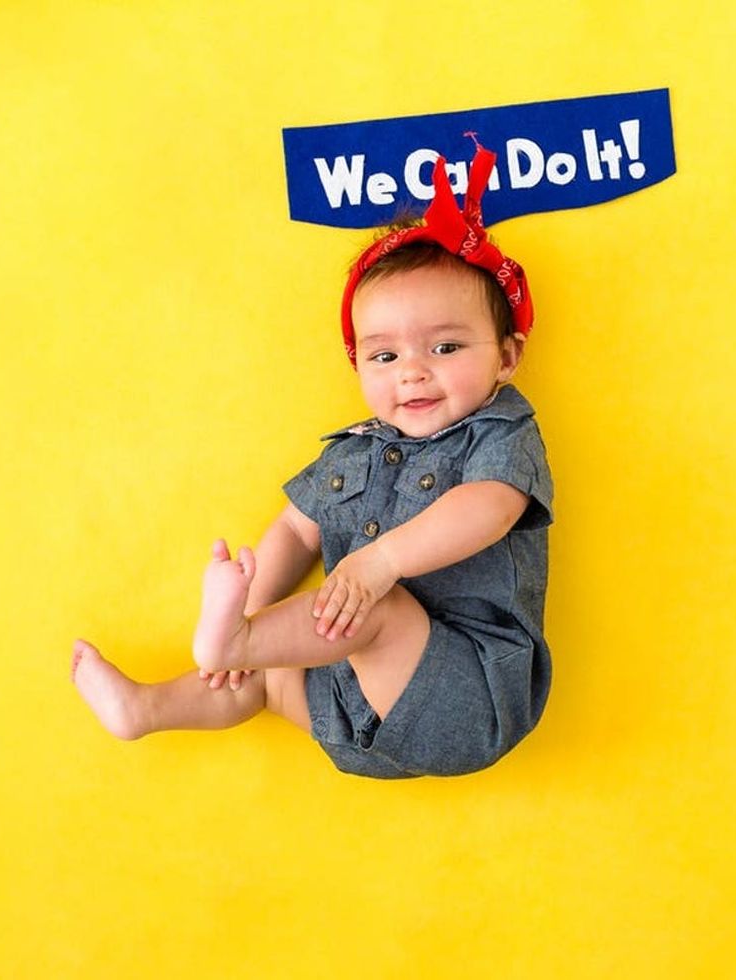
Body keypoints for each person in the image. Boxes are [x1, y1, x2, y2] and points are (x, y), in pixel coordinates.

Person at [71, 138, 553, 779]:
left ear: (507, 356)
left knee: (367, 603)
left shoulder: (499, 429)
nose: (412, 373)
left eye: (444, 348)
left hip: (463, 697)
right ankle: (147, 706)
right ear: (358, 366)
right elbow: (298, 528)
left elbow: (490, 507)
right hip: (350, 721)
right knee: (263, 675)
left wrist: (378, 561)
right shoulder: (356, 448)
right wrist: (249, 616)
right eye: (385, 357)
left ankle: (235, 642)